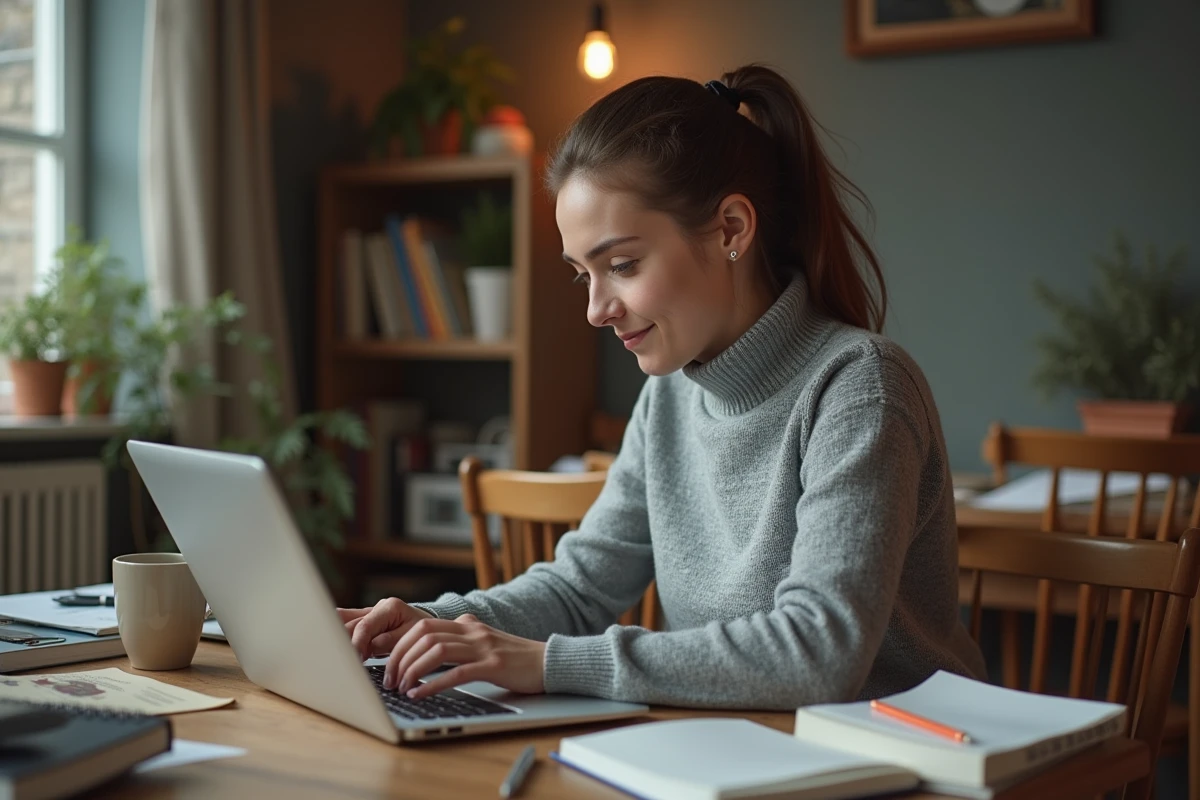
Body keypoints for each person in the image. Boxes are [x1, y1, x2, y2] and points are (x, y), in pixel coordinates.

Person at [338, 64, 986, 710]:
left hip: (900, 756)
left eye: (621, 265)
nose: (596, 309)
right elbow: (578, 588)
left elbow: (820, 651)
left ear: (731, 229)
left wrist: (548, 663)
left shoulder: (859, 387)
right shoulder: (670, 394)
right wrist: (425, 623)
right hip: (732, 745)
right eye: (582, 274)